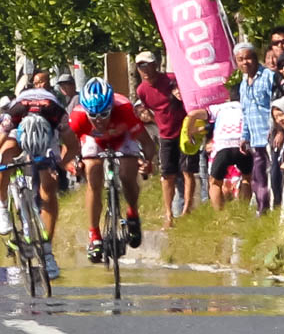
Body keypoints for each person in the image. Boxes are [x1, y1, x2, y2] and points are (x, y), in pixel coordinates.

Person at [0, 85, 80, 279]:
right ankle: (2, 205)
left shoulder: (58, 115)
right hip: (21, 127)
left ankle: (47, 252)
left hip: (46, 133)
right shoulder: (13, 115)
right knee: (4, 157)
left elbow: (73, 146)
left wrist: (60, 164)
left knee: (49, 187)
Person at [69, 77, 155, 263]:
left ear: (112, 108)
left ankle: (133, 213)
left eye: (104, 114)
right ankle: (94, 236)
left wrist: (147, 161)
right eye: (93, 115)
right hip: (93, 141)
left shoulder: (124, 110)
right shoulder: (78, 117)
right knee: (93, 176)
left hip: (122, 139)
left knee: (126, 174)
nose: (99, 120)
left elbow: (147, 143)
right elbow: (68, 148)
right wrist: (73, 164)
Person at [135, 51, 198, 228]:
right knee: (167, 174)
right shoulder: (142, 90)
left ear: (155, 64)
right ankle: (169, 214)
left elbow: (189, 95)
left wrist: (182, 94)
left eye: (147, 64)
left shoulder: (172, 79)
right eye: (140, 66)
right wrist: (145, 116)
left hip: (186, 130)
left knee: (187, 171)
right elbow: (144, 109)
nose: (145, 69)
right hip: (165, 134)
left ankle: (187, 209)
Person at [185, 88, 252, 211]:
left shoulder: (219, 108)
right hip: (242, 145)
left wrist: (189, 133)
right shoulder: (248, 107)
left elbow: (192, 114)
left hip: (223, 147)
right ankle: (244, 211)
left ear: (229, 98)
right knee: (246, 178)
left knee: (215, 182)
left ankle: (219, 216)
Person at [236, 42, 275, 215]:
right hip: (255, 140)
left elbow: (276, 105)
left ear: (255, 58)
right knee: (257, 178)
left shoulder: (268, 76)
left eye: (248, 58)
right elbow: (245, 112)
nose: (245, 62)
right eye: (241, 59)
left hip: (270, 136)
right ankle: (262, 211)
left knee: (272, 176)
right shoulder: (243, 84)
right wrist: (244, 136)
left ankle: (272, 210)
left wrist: (276, 129)